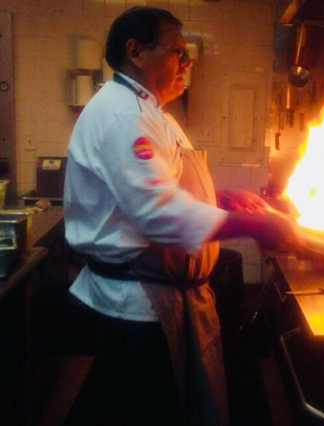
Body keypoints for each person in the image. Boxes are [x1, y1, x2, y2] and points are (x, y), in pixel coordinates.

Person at [64, 6, 307, 426]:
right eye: (177, 50)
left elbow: (169, 186)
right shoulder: (125, 116)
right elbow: (156, 213)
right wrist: (254, 226)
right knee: (145, 411)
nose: (188, 60)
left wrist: (223, 197)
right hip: (139, 306)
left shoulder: (152, 112)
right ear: (136, 51)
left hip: (160, 298)